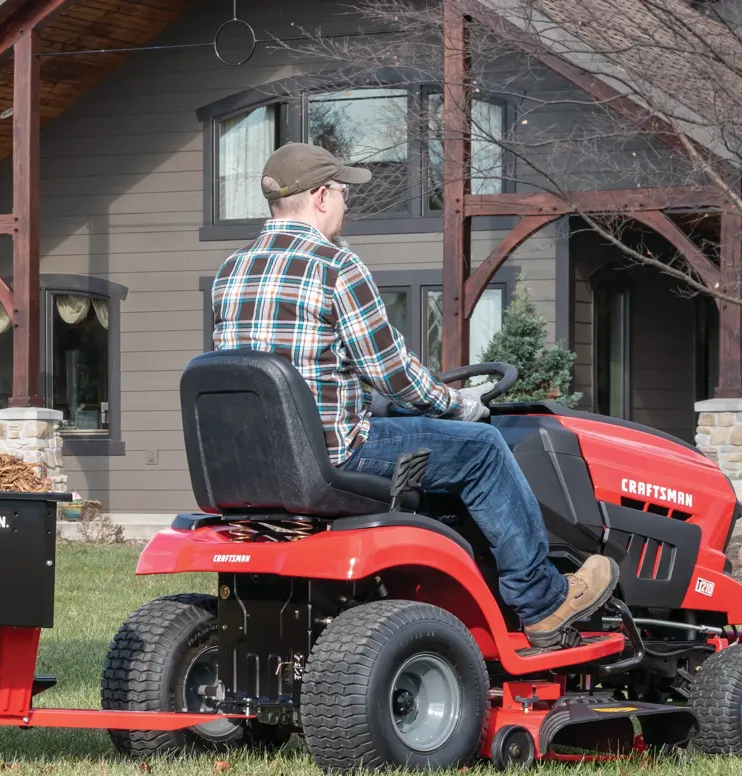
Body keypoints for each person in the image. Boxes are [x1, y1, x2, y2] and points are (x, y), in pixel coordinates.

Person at [211, 142, 616, 649]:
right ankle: (542, 600)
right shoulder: (336, 267)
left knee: (420, 427)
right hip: (333, 453)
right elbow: (392, 373)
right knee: (484, 451)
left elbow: (286, 375)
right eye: (340, 191)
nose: (346, 202)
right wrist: (462, 406)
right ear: (318, 197)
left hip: (257, 463)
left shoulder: (232, 272)